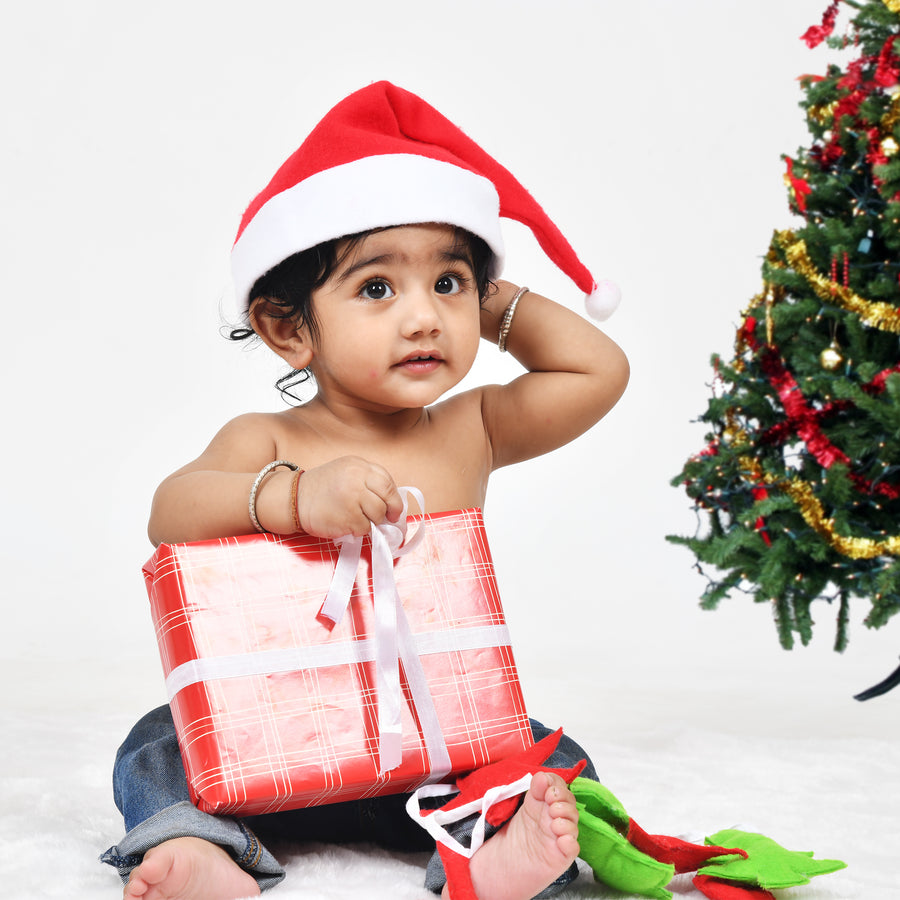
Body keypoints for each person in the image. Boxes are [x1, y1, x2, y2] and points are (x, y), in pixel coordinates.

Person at [102, 81, 629, 900]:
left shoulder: (471, 427)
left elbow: (598, 371)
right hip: (276, 738)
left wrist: (488, 295)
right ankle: (206, 846)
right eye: (378, 289)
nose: (423, 318)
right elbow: (167, 513)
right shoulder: (270, 441)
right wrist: (293, 498)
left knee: (548, 751)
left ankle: (481, 855)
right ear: (288, 328)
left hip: (433, 744)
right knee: (155, 743)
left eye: (446, 286)